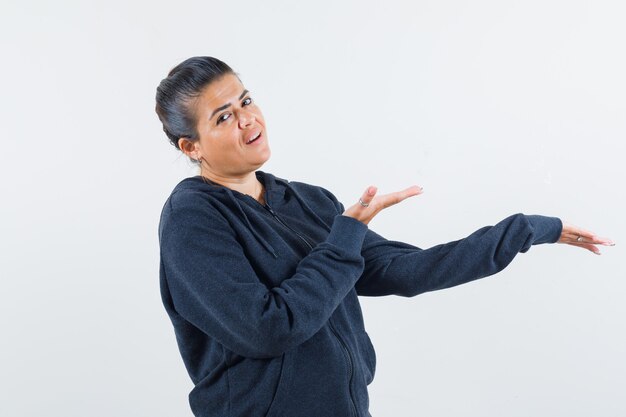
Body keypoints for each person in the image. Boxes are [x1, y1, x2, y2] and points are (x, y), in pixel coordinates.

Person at [155, 56, 615, 417]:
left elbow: (406, 270)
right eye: (222, 117)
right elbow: (269, 328)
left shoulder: (308, 201)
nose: (247, 119)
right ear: (190, 147)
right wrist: (346, 236)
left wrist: (528, 230)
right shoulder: (192, 219)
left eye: (246, 100)